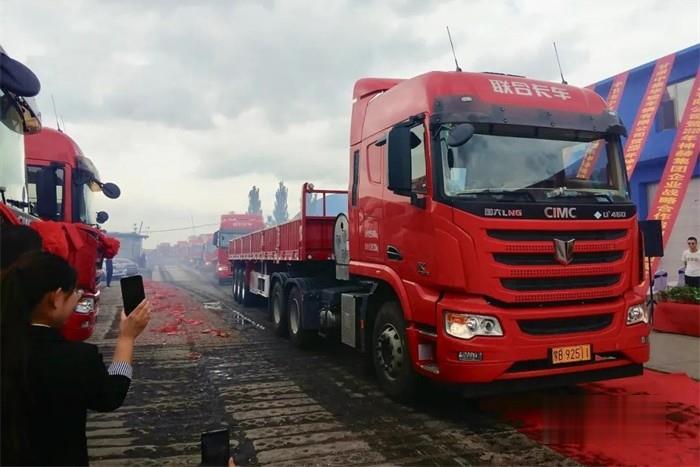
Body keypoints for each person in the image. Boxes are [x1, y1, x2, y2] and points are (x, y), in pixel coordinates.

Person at [0, 252, 151, 466]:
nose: (78, 297)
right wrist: (126, 338)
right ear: (56, 298)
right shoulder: (77, 358)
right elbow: (110, 396)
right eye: (74, 292)